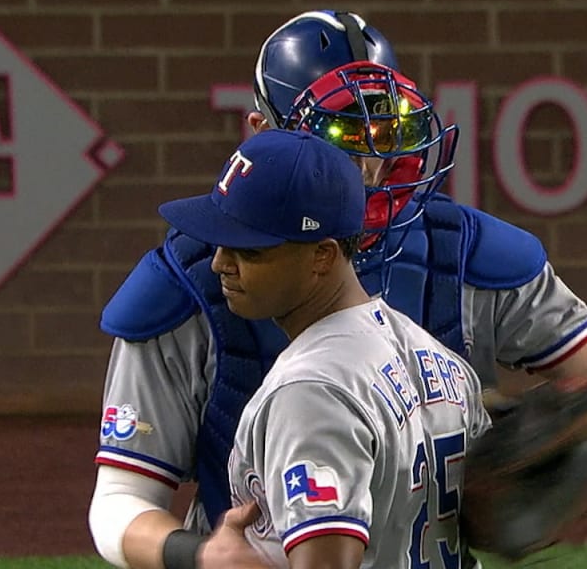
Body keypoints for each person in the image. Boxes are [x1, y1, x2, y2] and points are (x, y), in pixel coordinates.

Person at [88, 9, 587, 569]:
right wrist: (199, 555)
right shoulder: (190, 283)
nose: (369, 158)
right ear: (260, 132)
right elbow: (117, 501)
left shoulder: (463, 254)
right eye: (339, 131)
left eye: (382, 127)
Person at [155, 128, 491, 568]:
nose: (220, 263)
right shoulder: (440, 361)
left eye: (249, 251)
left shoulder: (311, 391)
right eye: (220, 242)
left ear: (323, 256)